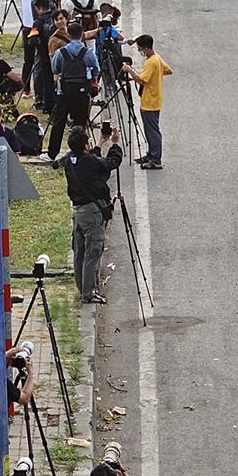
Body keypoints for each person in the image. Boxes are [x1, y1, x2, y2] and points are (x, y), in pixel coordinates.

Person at [61, 124, 121, 305]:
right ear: (85, 145)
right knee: (92, 252)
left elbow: (89, 159)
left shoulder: (70, 160)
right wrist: (115, 145)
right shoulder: (91, 162)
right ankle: (88, 293)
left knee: (79, 252)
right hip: (92, 212)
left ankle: (82, 288)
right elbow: (111, 163)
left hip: (78, 211)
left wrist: (101, 142)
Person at [48, 23, 98, 161]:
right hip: (82, 93)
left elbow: (55, 70)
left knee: (59, 121)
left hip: (64, 92)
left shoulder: (61, 52)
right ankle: (80, 152)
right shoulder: (88, 53)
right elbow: (96, 69)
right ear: (82, 34)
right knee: (80, 123)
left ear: (68, 35)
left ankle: (52, 152)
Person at [128, 34, 171, 172]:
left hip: (149, 102)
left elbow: (141, 80)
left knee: (152, 131)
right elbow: (168, 70)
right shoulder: (156, 59)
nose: (139, 51)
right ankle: (151, 155)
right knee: (150, 130)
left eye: (140, 48)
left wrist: (129, 70)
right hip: (155, 99)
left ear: (146, 49)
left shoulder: (151, 62)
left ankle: (155, 159)